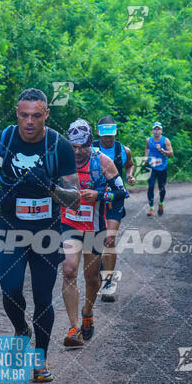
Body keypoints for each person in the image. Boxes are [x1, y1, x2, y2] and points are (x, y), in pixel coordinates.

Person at [0, 88, 80, 382]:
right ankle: (21, 329)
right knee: (10, 289)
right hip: (12, 228)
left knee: (43, 298)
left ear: (46, 114)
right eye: (23, 115)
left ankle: (40, 362)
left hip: (47, 232)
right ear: (17, 113)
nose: (29, 121)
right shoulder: (3, 140)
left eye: (36, 115)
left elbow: (75, 199)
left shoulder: (59, 146)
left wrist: (51, 188)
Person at [61, 119, 127, 348]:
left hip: (95, 226)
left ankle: (87, 312)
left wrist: (99, 196)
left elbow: (121, 194)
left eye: (82, 147)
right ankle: (73, 328)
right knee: (69, 270)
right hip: (68, 224)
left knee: (91, 278)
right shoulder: (61, 158)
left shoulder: (103, 162)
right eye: (73, 147)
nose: (77, 152)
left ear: (90, 143)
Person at [92, 116, 136, 302]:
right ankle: (96, 276)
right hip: (94, 200)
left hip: (115, 199)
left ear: (115, 134)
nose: (108, 139)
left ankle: (108, 283)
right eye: (105, 136)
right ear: (98, 134)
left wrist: (130, 175)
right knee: (95, 242)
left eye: (111, 136)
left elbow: (130, 165)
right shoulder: (90, 150)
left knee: (109, 239)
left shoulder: (123, 150)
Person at [144, 122, 173, 217]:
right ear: (152, 131)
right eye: (155, 129)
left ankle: (160, 203)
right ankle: (151, 207)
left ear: (161, 131)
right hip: (151, 167)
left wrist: (162, 150)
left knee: (161, 187)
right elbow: (147, 149)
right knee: (151, 186)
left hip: (162, 168)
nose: (156, 131)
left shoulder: (165, 141)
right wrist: (145, 157)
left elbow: (171, 154)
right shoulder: (148, 140)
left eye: (158, 129)